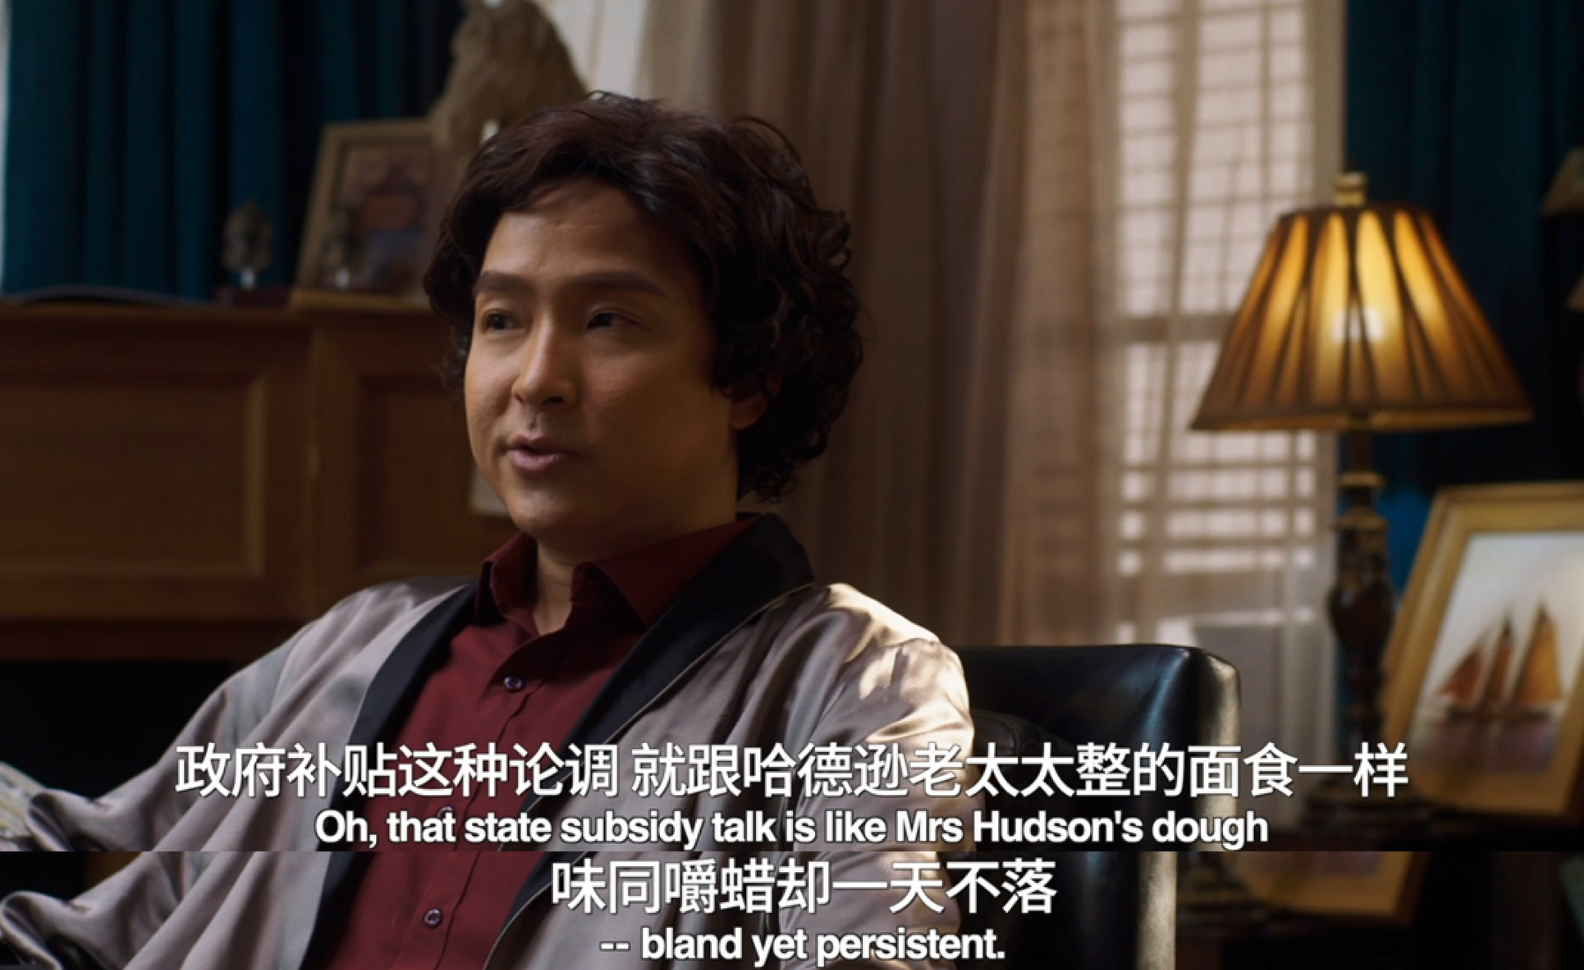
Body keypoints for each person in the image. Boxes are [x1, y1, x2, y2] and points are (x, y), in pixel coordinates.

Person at [0, 94, 977, 970]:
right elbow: (95, 911)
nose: (535, 379)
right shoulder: (352, 646)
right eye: (503, 319)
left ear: (751, 376)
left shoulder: (853, 680)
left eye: (607, 321)